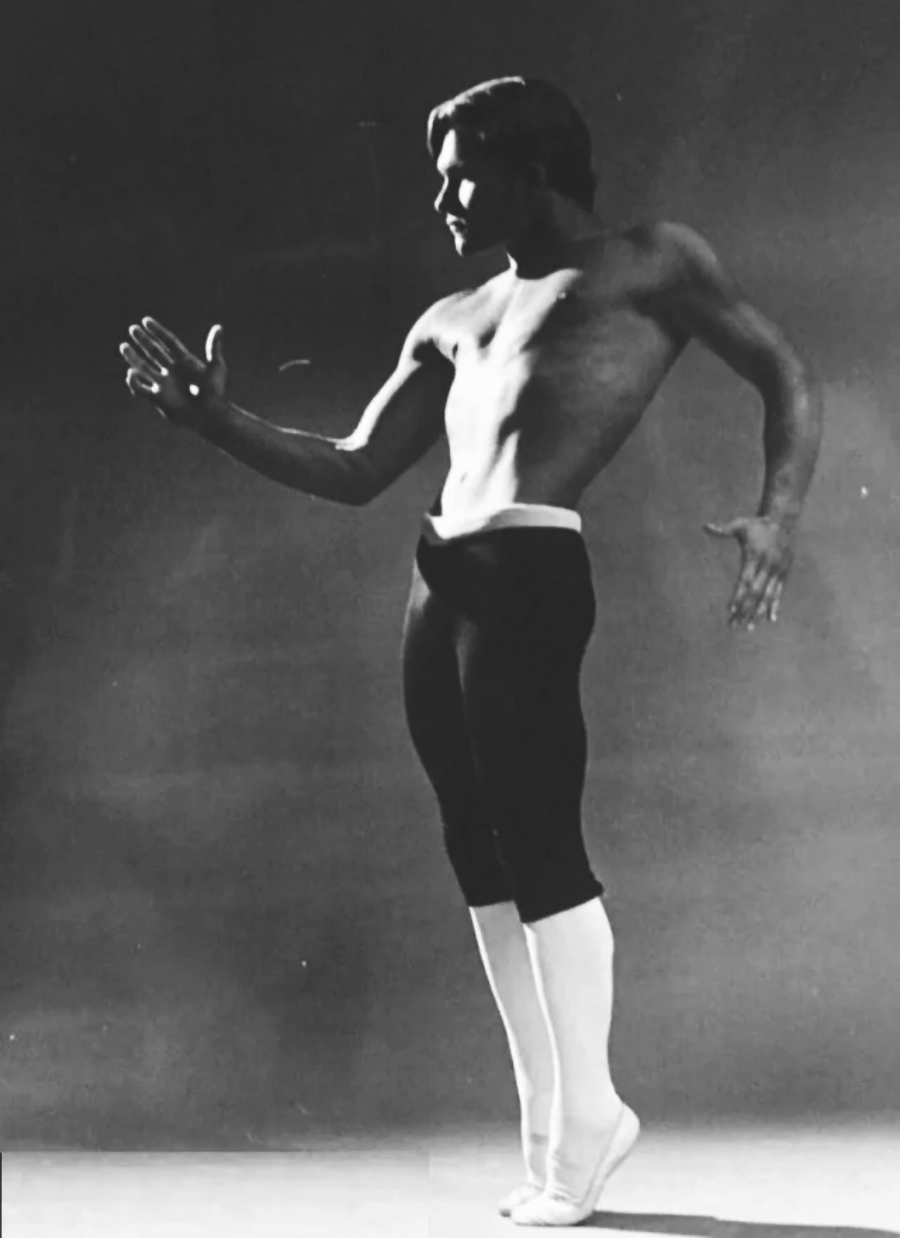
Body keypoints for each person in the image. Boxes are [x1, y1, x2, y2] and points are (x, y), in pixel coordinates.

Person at [119, 77, 822, 1227]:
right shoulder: (451, 318)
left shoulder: (649, 262)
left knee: (540, 844)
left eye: (461, 170)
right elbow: (355, 467)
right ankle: (554, 1134)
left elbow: (785, 370)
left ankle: (591, 1114)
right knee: (479, 862)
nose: (440, 193)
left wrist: (780, 515)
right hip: (437, 578)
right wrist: (217, 420)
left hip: (531, 574)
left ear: (532, 169)